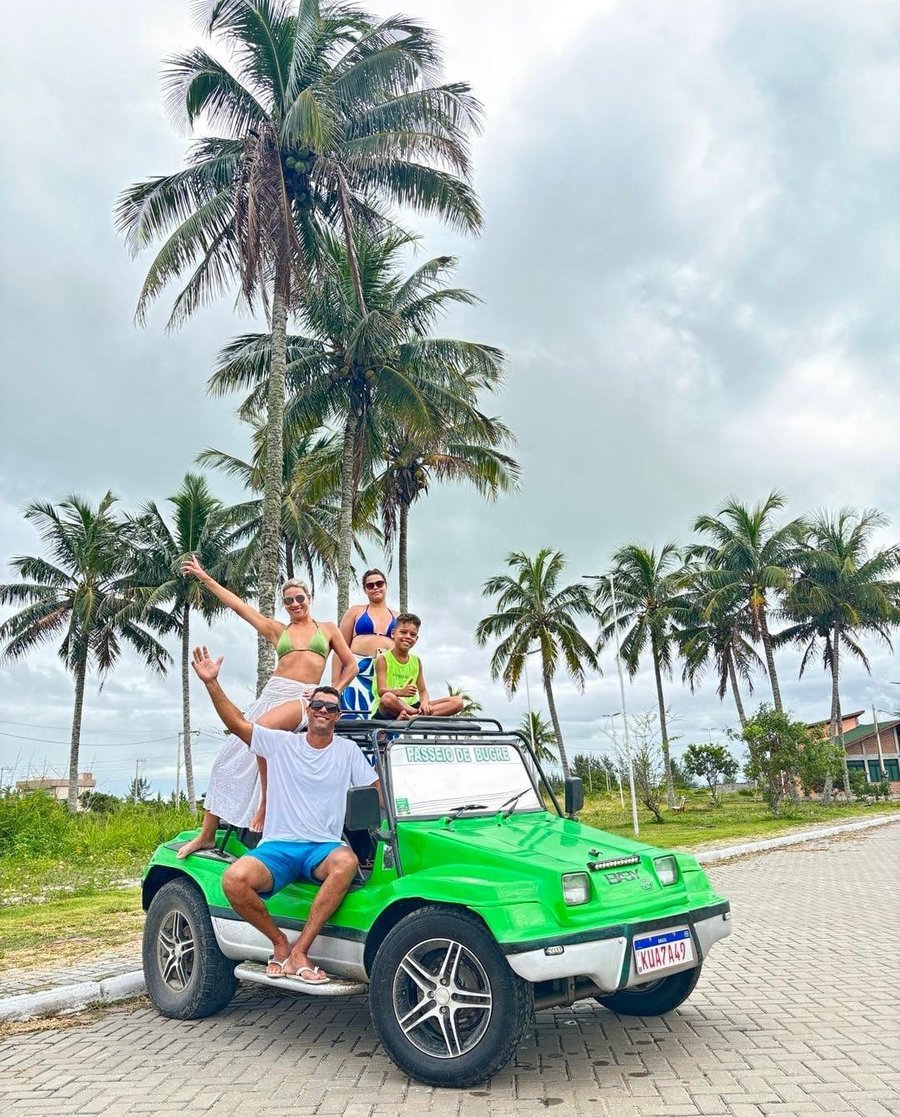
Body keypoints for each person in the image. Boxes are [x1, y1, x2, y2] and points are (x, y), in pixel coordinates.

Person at [190, 647, 379, 984]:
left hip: (322, 847)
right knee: (234, 879)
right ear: (308, 711)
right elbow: (237, 724)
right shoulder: (281, 744)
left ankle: (301, 951)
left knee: (346, 863)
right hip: (277, 848)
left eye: (330, 708)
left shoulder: (348, 751)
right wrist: (212, 683)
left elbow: (375, 792)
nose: (323, 711)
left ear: (337, 715)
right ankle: (280, 943)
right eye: (318, 706)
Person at [177, 558, 357, 859]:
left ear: (309, 598)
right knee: (227, 759)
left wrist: (330, 695)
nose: (295, 604)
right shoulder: (278, 630)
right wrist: (204, 576)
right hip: (272, 694)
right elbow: (239, 607)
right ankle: (207, 835)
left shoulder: (326, 629)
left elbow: (350, 665)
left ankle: (265, 804)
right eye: (288, 601)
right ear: (284, 605)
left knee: (262, 731)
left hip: (303, 697)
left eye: (300, 598)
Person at [371, 613, 464, 720]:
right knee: (387, 698)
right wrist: (402, 692)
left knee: (457, 702)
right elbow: (381, 691)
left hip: (412, 705)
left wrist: (424, 703)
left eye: (412, 634)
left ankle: (413, 717)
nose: (407, 637)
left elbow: (423, 691)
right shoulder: (383, 659)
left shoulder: (416, 661)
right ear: (393, 633)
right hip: (391, 706)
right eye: (403, 632)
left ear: (416, 639)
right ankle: (416, 715)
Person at [334, 568, 399, 719]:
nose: (375, 587)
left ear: (385, 586)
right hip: (356, 669)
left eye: (379, 583)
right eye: (370, 585)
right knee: (353, 713)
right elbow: (339, 648)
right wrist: (335, 684)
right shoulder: (356, 611)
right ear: (365, 590)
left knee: (384, 716)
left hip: (386, 673)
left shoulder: (397, 616)